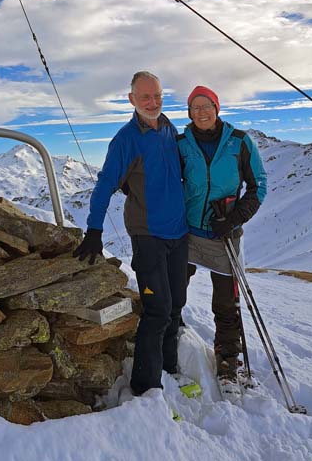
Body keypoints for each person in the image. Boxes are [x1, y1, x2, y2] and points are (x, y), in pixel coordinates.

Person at [74, 71, 189, 396]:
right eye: (145, 97)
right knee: (157, 310)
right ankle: (146, 388)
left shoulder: (168, 128)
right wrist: (94, 229)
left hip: (178, 235)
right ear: (132, 100)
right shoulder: (126, 139)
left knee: (176, 303)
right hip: (148, 235)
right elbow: (105, 184)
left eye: (157, 96)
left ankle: (170, 372)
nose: (152, 102)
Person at [177, 85, 267, 383]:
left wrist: (234, 219)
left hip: (224, 234)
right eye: (195, 107)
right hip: (187, 231)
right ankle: (171, 339)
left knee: (226, 304)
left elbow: (258, 187)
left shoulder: (240, 142)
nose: (201, 112)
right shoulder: (181, 143)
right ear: (189, 113)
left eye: (207, 106)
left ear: (217, 108)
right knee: (174, 290)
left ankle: (228, 359)